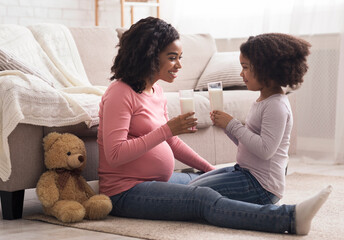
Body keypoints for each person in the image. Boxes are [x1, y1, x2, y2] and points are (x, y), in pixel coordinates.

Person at [97, 16, 332, 235]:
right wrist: (167, 129)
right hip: (125, 193)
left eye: (180, 57)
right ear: (148, 56)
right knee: (202, 198)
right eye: (172, 57)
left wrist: (211, 169)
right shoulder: (120, 93)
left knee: (201, 180)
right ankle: (288, 218)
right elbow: (115, 154)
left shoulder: (156, 90)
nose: (179, 65)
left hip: (155, 181)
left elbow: (172, 142)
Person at [188, 33, 310, 205]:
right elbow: (249, 145)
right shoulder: (263, 100)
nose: (241, 73)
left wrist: (232, 124)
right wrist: (226, 126)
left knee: (194, 194)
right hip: (246, 173)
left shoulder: (276, 106)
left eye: (245, 67)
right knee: (190, 186)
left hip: (262, 186)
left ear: (265, 69)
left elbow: (265, 150)